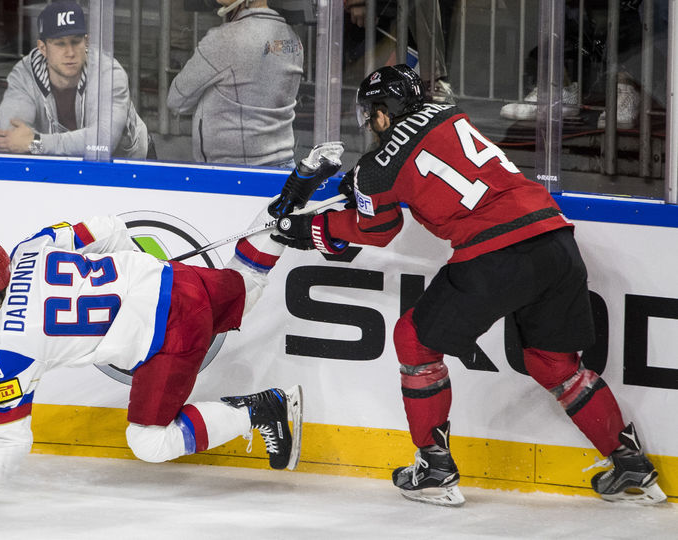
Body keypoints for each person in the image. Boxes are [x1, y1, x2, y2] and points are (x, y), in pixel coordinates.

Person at [271, 64, 665, 507]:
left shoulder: (375, 167)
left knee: (414, 340)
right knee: (554, 364)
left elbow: (377, 229)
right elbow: (431, 168)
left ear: (383, 111)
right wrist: (364, 188)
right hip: (555, 239)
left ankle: (435, 469)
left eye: (372, 114)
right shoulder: (448, 113)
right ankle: (629, 462)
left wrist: (312, 228)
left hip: (495, 254)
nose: (371, 124)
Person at [0, 141, 344, 512]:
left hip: (167, 336)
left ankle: (262, 408)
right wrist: (140, 270)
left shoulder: (4, 351)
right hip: (173, 282)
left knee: (149, 442)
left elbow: (11, 441)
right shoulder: (30, 247)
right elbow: (108, 228)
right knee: (245, 285)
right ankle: (291, 200)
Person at [0, 1, 149, 158]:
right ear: (43, 48)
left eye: (76, 42)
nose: (70, 52)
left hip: (129, 167)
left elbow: (102, 143)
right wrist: (37, 144)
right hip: (56, 167)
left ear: (86, 42)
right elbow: (11, 139)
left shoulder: (109, 73)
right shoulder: (24, 74)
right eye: (60, 44)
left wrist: (36, 143)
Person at [167, 0, 303, 168]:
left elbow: (176, 100)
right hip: (284, 166)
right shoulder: (293, 40)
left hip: (237, 174)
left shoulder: (223, 39)